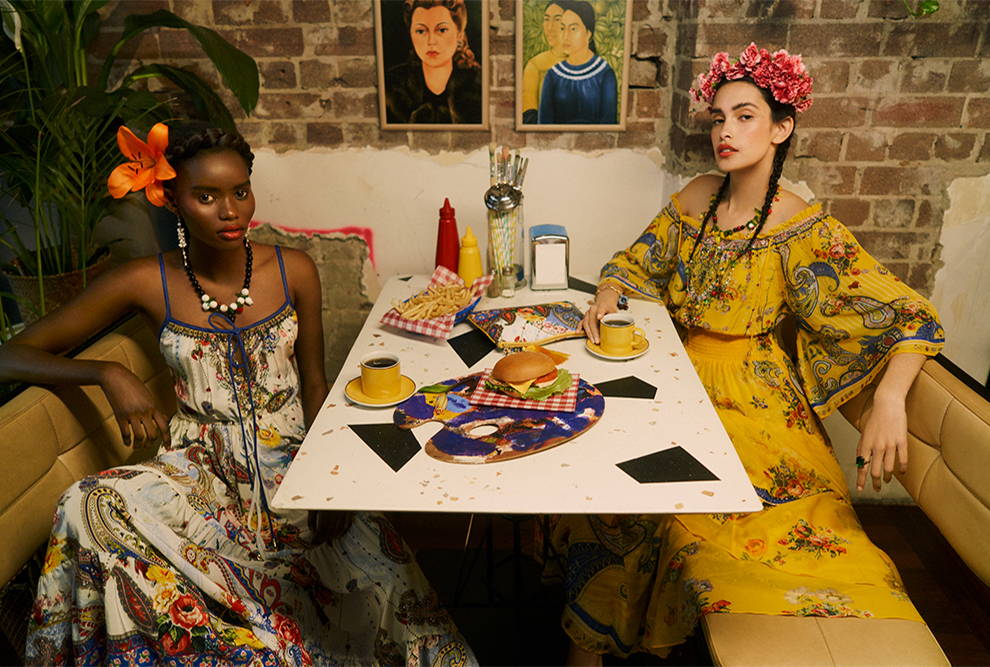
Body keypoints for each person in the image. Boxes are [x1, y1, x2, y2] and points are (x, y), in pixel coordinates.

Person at [4, 121, 476, 665]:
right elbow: (10, 355)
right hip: (199, 470)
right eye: (206, 196)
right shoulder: (143, 280)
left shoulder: (294, 269)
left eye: (239, 192)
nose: (230, 211)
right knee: (87, 503)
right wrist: (106, 374)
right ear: (173, 200)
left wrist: (332, 485)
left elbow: (317, 387)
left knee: (381, 593)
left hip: (295, 464)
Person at [552, 43, 945, 664]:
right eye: (718, 118)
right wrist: (607, 291)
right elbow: (633, 264)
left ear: (782, 127)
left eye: (745, 116)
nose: (725, 132)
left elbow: (906, 313)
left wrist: (891, 396)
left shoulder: (802, 225)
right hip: (673, 379)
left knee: (711, 526)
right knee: (604, 492)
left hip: (754, 401)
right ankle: (588, 648)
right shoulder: (696, 198)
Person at [385, 0, 482, 124]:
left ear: (459, 33)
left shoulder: (479, 83)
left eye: (442, 30)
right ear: (410, 34)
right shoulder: (393, 85)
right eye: (421, 31)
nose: (431, 41)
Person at [537, 0, 617, 125]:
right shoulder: (553, 75)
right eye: (562, 28)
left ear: (588, 34)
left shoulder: (605, 74)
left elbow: (609, 124)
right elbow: (543, 124)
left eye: (573, 29)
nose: (566, 35)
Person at [521, 1, 566, 124]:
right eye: (546, 20)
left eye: (557, 20)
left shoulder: (585, 61)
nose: (550, 27)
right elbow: (528, 116)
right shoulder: (535, 65)